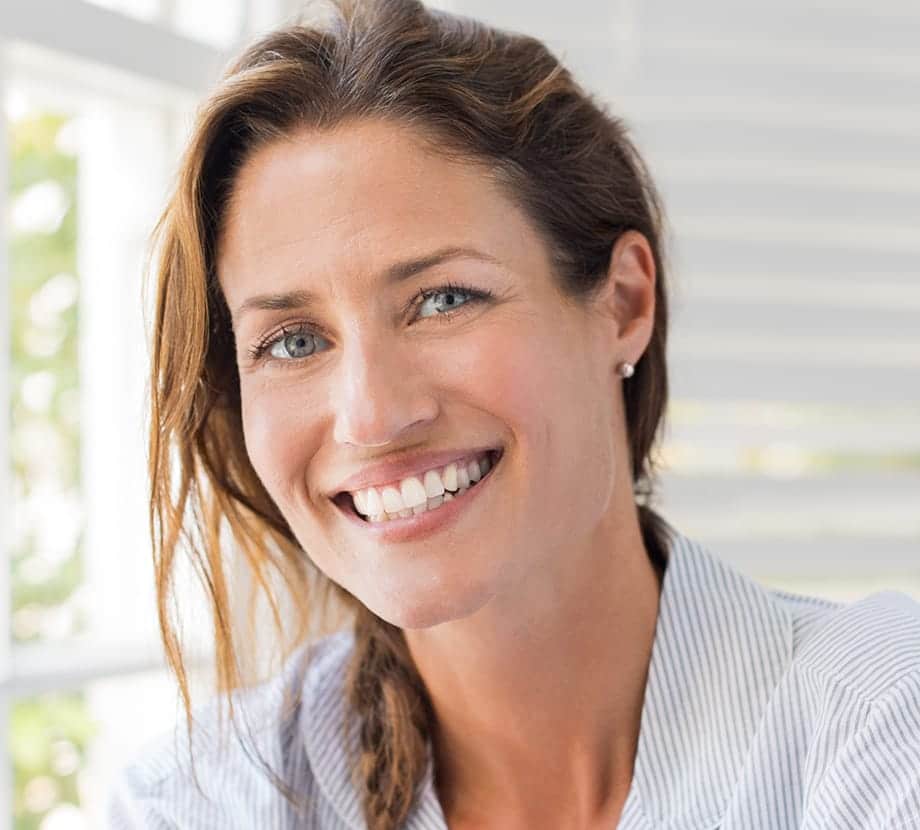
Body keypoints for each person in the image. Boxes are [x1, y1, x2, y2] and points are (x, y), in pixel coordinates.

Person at [106, 0, 920, 827]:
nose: (372, 415)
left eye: (443, 298)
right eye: (291, 341)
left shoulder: (879, 722)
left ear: (623, 303)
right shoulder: (197, 801)